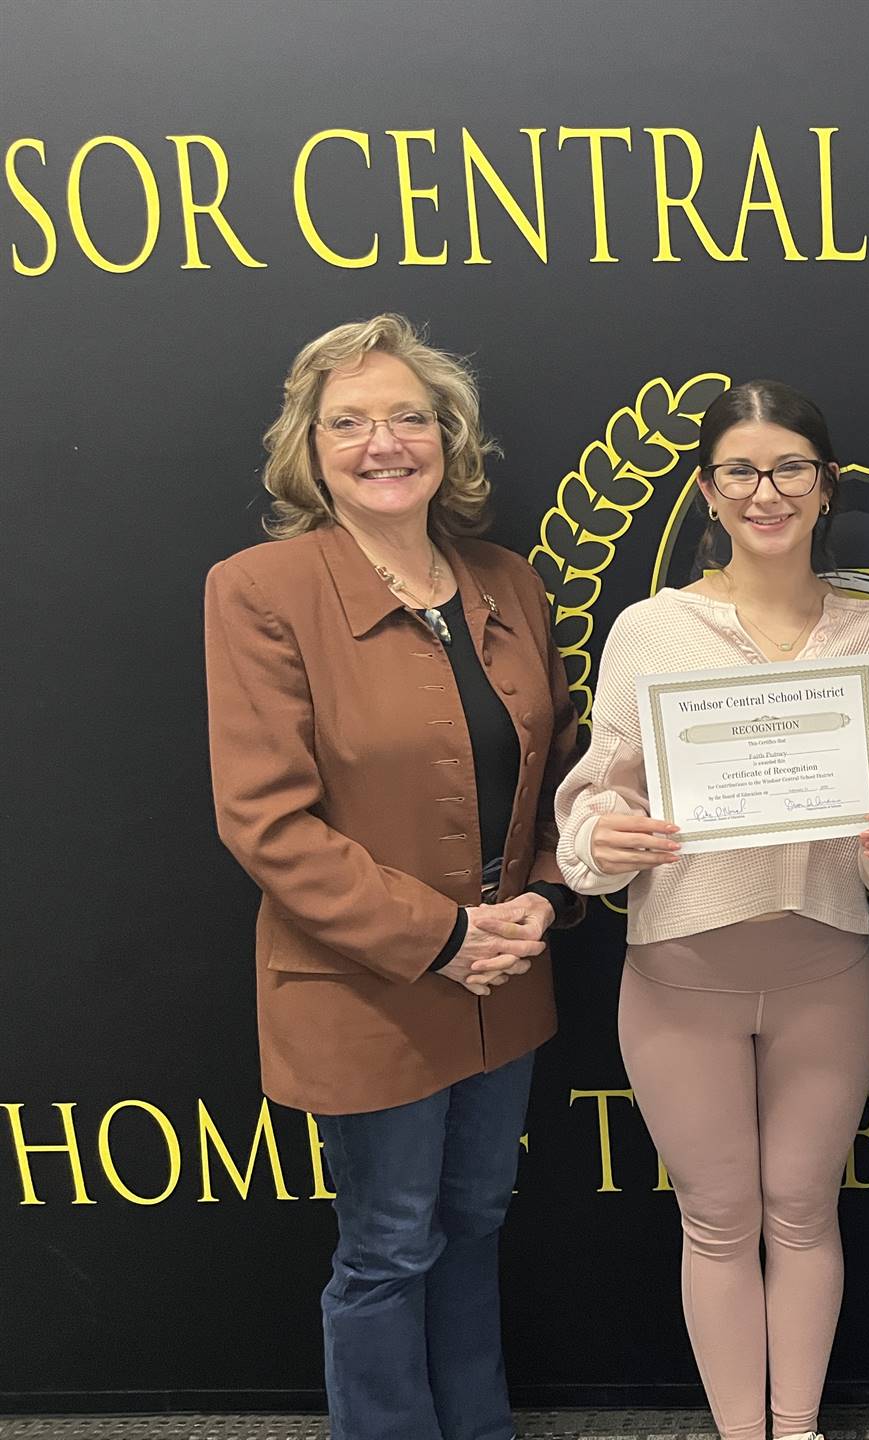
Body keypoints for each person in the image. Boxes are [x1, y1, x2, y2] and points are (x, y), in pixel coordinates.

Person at [204, 314, 580, 1440]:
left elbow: (561, 774)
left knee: (475, 1222)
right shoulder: (260, 588)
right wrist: (446, 936)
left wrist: (546, 899)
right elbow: (266, 822)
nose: (384, 442)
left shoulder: (507, 582)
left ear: (447, 439)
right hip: (368, 986)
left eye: (408, 416)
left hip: (506, 979)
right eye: (349, 421)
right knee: (385, 1247)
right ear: (309, 448)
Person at [552, 380, 869, 1440]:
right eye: (741, 472)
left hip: (826, 973)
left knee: (807, 1214)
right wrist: (600, 844)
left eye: (790, 469)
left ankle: (797, 1429)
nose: (766, 493)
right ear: (707, 492)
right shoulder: (650, 631)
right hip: (682, 978)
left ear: (826, 487)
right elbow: (591, 805)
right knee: (718, 1222)